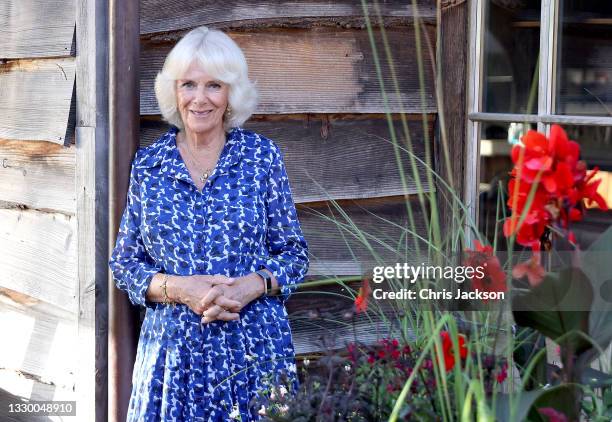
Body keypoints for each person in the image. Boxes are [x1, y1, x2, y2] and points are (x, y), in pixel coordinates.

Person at [109, 26, 309, 421]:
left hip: (253, 350)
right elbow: (125, 263)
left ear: (231, 94)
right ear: (174, 91)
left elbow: (295, 254)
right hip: (172, 357)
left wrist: (251, 286)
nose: (199, 99)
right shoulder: (150, 166)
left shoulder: (261, 158)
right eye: (188, 85)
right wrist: (181, 289)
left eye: (214, 85)